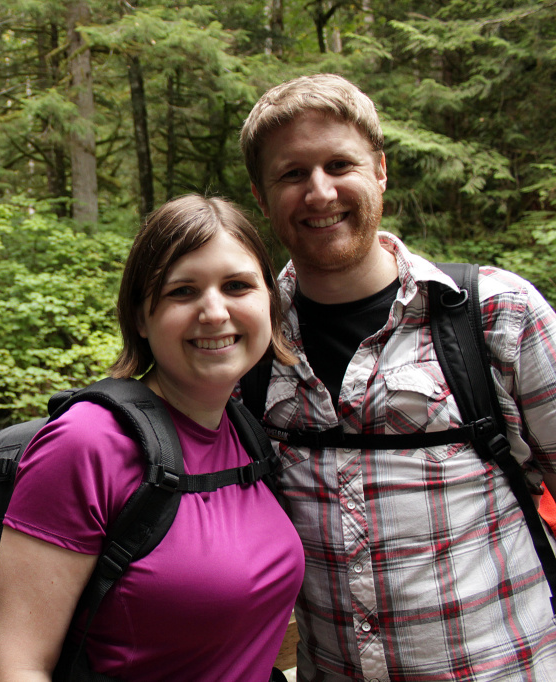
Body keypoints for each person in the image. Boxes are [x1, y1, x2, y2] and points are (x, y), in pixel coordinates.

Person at [237, 73, 556, 680]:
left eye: (339, 164)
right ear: (261, 194)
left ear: (380, 170)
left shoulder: (495, 315)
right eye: (292, 174)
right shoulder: (248, 346)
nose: (319, 191)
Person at [0, 194, 304, 681]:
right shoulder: (86, 443)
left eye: (238, 285)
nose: (215, 311)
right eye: (183, 291)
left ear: (269, 300)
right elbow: (20, 668)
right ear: (140, 316)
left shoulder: (251, 430)